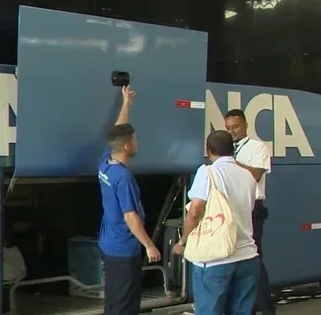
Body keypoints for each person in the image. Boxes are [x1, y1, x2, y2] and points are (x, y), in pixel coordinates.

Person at [174, 130, 260, 315]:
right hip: (247, 257)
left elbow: (195, 210)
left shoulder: (207, 172)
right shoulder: (248, 177)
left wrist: (183, 241)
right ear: (232, 150)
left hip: (215, 261)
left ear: (209, 151)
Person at [97, 85, 162, 315]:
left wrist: (126, 104)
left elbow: (117, 130)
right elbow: (130, 216)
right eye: (134, 139)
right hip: (125, 249)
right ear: (127, 146)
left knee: (114, 301)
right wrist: (149, 245)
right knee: (125, 306)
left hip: (109, 245)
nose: (137, 142)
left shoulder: (106, 163)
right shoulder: (123, 178)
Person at [223, 109, 275, 315]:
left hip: (253, 208)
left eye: (235, 127)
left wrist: (230, 161)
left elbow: (254, 174)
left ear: (245, 125)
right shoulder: (226, 149)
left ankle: (266, 308)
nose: (231, 131)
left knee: (254, 259)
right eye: (227, 128)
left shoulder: (258, 147)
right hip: (232, 209)